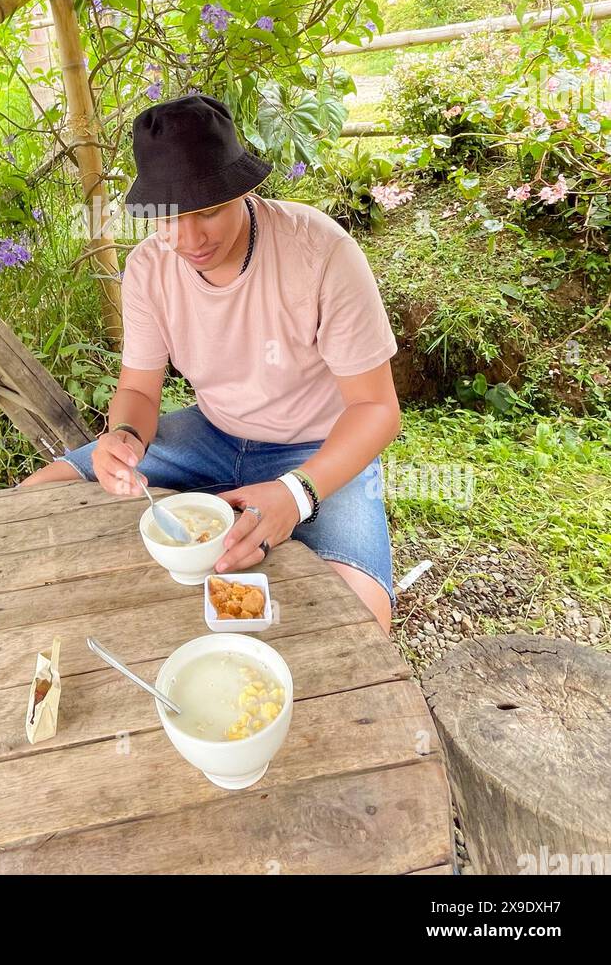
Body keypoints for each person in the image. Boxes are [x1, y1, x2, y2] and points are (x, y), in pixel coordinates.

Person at [22, 94, 402, 631]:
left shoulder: (319, 251)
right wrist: (125, 437)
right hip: (211, 432)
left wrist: (297, 494)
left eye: (207, 211)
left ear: (243, 190)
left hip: (318, 444)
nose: (188, 239)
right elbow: (139, 392)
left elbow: (376, 409)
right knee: (41, 490)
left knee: (361, 615)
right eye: (168, 219)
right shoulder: (149, 269)